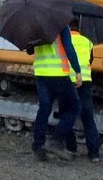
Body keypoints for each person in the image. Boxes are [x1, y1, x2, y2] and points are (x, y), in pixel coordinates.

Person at [30, 25, 82, 162]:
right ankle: (56, 141)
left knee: (44, 110)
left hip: (41, 74)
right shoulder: (61, 25)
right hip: (58, 74)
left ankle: (38, 147)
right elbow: (68, 48)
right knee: (73, 108)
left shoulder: (35, 26)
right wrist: (77, 71)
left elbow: (30, 50)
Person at [65, 24, 100, 163]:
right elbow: (90, 61)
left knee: (67, 116)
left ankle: (71, 149)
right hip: (85, 81)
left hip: (69, 81)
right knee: (88, 118)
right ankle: (94, 154)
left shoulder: (65, 40)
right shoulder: (88, 42)